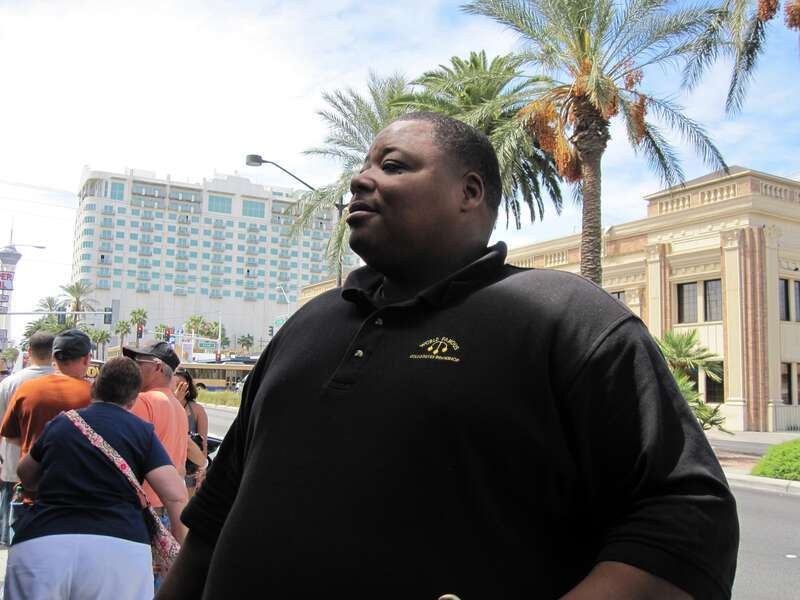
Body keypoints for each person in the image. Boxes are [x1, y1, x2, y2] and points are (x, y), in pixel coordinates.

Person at [159, 113, 738, 600]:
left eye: (392, 165)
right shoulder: (310, 322)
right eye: (362, 167)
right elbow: (217, 514)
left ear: (469, 191)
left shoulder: (567, 317)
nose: (360, 181)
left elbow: (686, 520)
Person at [4, 356, 187, 599]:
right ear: (133, 400)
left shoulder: (61, 424)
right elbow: (174, 496)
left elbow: (26, 474)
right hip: (119, 550)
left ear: (95, 388)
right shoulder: (141, 432)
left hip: (43, 543)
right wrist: (181, 550)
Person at [124, 341, 188, 590]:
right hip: (166, 508)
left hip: (142, 509)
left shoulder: (143, 401)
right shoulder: (177, 407)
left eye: (139, 363)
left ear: (158, 367)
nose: (133, 368)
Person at [0, 332, 55, 546]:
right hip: (51, 469)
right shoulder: (65, 383)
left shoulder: (9, 384)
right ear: (54, 353)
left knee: (12, 528)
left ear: (29, 352)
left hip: (14, 466)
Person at [172, 368, 208, 496]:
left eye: (183, 384)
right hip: (171, 467)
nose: (179, 388)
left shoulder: (197, 410)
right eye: (176, 384)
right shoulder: (165, 404)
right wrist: (175, 400)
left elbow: (203, 442)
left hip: (190, 468)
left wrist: (201, 469)